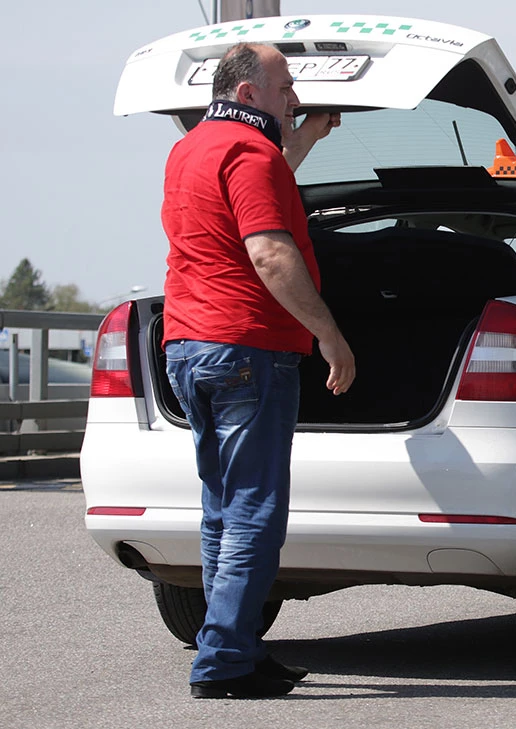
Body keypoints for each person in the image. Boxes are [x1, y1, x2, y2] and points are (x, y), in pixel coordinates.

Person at [161, 42, 355, 699]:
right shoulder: (251, 154)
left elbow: (264, 176)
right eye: (286, 87)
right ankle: (222, 661)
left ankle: (235, 648)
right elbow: (270, 252)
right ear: (247, 96)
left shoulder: (193, 149)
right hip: (249, 350)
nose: (295, 95)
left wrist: (307, 138)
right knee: (253, 514)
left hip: (190, 347)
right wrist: (329, 333)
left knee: (222, 510)